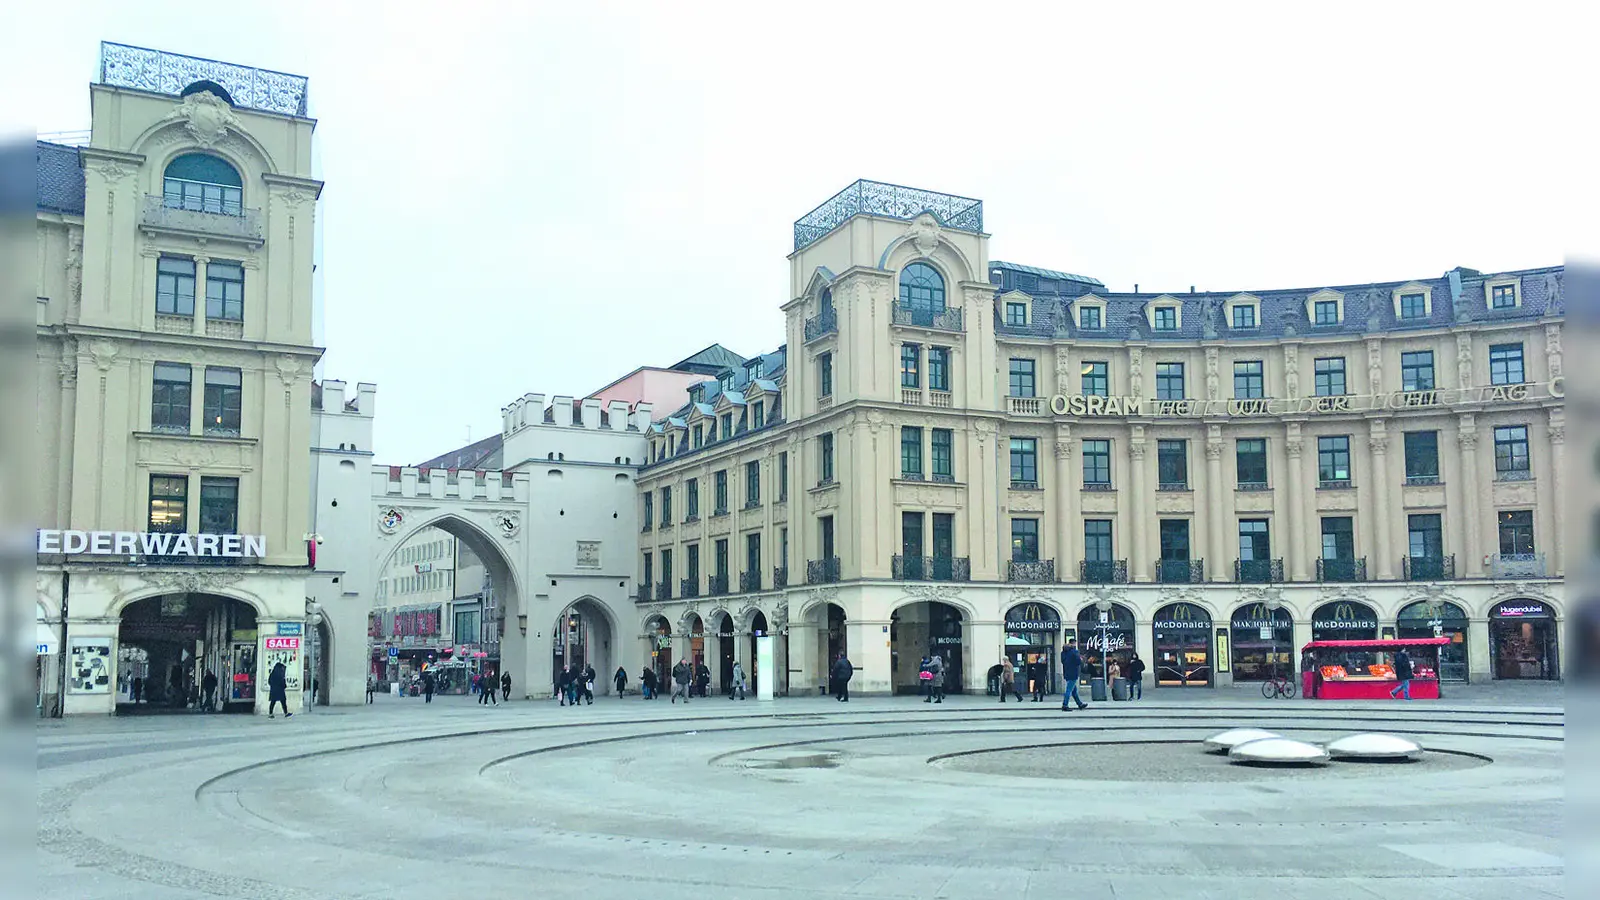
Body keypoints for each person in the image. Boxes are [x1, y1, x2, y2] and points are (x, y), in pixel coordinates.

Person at [1060, 639, 1087, 711]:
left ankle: (1080, 704)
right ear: (1074, 643)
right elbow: (1078, 662)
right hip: (1074, 672)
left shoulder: (1063, 652)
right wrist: (1081, 659)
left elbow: (1063, 661)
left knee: (1073, 690)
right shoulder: (1074, 651)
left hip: (1066, 672)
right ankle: (1065, 705)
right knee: (1069, 690)